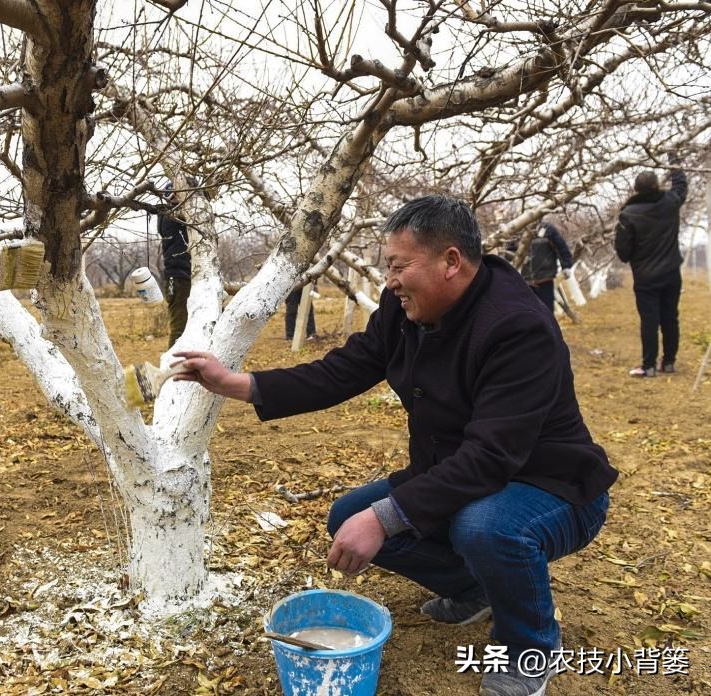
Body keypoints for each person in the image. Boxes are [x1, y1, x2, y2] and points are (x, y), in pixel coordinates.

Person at [175, 196, 617, 696]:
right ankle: (473, 588)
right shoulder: (405, 307)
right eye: (388, 266)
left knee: (483, 527)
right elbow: (346, 368)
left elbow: (492, 455)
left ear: (451, 261)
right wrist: (237, 383)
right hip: (462, 474)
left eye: (399, 266)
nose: (390, 280)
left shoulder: (518, 327)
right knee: (349, 515)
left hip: (550, 486)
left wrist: (384, 517)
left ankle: (529, 648)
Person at [614, 165, 687, 377]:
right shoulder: (670, 203)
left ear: (636, 190)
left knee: (650, 321)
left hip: (646, 277)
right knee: (670, 318)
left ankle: (649, 366)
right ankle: (669, 362)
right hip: (672, 273)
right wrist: (675, 162)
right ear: (657, 186)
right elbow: (681, 186)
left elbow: (623, 253)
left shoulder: (628, 215)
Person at [509, 222, 575, 312]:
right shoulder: (519, 231)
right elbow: (509, 253)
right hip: (525, 281)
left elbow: (562, 248)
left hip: (545, 279)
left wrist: (566, 266)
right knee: (529, 312)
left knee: (547, 312)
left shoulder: (549, 230)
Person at [158, 181, 192, 346]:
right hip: (178, 278)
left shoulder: (175, 215)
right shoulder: (171, 216)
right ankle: (172, 368)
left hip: (183, 277)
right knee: (180, 328)